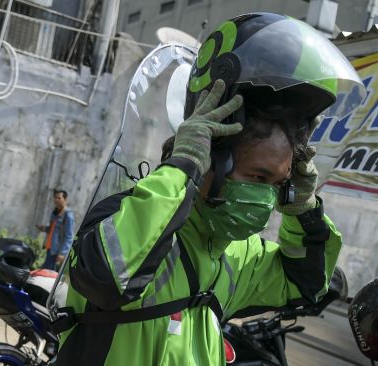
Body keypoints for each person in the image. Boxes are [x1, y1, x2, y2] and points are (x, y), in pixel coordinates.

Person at [52, 13, 364, 365]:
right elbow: (105, 277)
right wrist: (181, 168)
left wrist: (304, 209)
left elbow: (306, 285)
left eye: (279, 185)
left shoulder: (235, 255)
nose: (266, 199)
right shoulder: (125, 221)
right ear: (212, 161)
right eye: (259, 177)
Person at [36, 189, 74, 271]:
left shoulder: (68, 215)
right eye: (55, 198)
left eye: (59, 198)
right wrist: (44, 229)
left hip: (57, 251)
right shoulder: (55, 213)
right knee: (45, 271)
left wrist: (62, 253)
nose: (56, 200)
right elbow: (53, 229)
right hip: (50, 248)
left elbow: (69, 236)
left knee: (47, 273)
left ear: (65, 199)